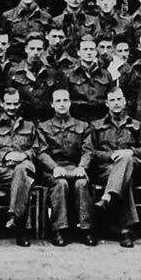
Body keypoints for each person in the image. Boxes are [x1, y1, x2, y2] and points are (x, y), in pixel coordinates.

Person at [0, 88, 43, 246]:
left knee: (22, 170)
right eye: (8, 104)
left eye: (15, 104)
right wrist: (5, 156)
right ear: (2, 104)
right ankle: (20, 227)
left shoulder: (29, 126)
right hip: (2, 169)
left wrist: (24, 155)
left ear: (20, 104)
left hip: (25, 165)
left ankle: (15, 216)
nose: (12, 107)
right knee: (23, 180)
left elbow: (36, 149)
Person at [84, 86, 141, 247]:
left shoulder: (137, 125)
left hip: (134, 166)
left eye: (119, 99)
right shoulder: (96, 126)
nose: (116, 103)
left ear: (124, 102)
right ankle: (126, 231)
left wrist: (130, 152)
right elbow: (90, 151)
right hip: (105, 169)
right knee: (124, 179)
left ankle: (107, 198)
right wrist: (110, 155)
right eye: (112, 100)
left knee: (126, 162)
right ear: (107, 103)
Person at [37, 88, 94, 246]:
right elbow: (41, 152)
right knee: (60, 184)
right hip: (53, 169)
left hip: (76, 167)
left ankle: (86, 229)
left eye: (65, 100)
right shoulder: (43, 127)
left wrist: (82, 167)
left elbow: (88, 150)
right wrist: (54, 167)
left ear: (70, 103)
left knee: (82, 183)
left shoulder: (82, 125)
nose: (62, 104)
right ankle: (58, 230)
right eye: (58, 101)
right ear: (52, 105)